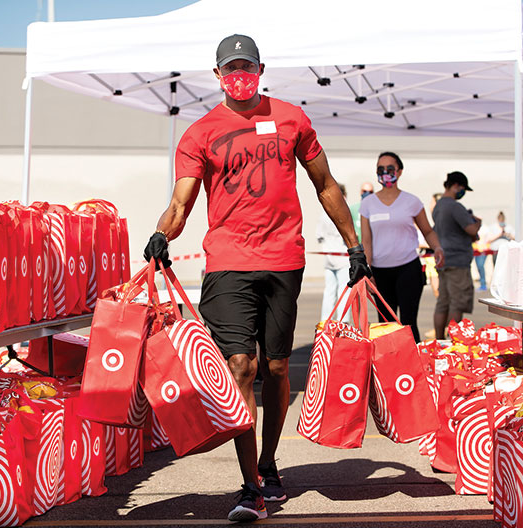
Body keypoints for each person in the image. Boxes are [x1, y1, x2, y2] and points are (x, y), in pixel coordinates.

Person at [143, 34, 366, 523]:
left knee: (279, 369)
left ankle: (268, 462)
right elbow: (181, 201)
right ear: (217, 75)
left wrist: (354, 245)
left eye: (247, 68)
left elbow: (325, 184)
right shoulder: (199, 133)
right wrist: (162, 233)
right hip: (227, 261)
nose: (239, 76)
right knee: (241, 367)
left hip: (285, 257)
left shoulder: (292, 118)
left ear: (261, 70)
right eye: (230, 69)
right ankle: (250, 489)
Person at [358, 152, 443, 342]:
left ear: (400, 171)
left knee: (408, 323)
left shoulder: (411, 201)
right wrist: (367, 270)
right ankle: (389, 368)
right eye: (381, 169)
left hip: (408, 269)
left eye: (390, 168)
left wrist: (437, 248)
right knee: (385, 325)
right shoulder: (368, 204)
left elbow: (428, 231)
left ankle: (414, 367)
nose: (385, 173)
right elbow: (367, 241)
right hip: (380, 273)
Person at [433, 172, 481, 340]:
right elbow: (472, 230)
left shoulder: (438, 206)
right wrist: (477, 222)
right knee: (457, 304)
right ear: (456, 186)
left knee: (443, 303)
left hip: (444, 261)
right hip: (458, 263)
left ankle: (439, 341)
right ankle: (454, 341)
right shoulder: (454, 207)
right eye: (462, 189)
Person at [317, 184, 350, 321]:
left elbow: (319, 236)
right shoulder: (343, 212)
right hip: (342, 257)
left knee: (330, 292)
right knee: (343, 291)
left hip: (329, 256)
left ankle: (326, 321)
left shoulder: (324, 213)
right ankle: (343, 321)